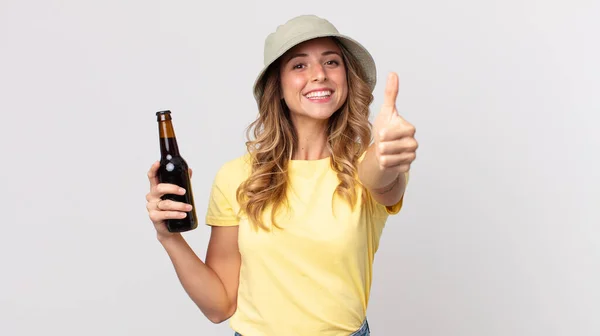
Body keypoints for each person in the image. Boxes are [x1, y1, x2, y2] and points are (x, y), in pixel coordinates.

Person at [145, 14, 418, 336]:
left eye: (331, 62)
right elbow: (219, 307)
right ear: (279, 86)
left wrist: (387, 156)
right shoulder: (237, 176)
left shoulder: (366, 166)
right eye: (299, 65)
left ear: (347, 77)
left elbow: (382, 180)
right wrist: (168, 236)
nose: (319, 75)